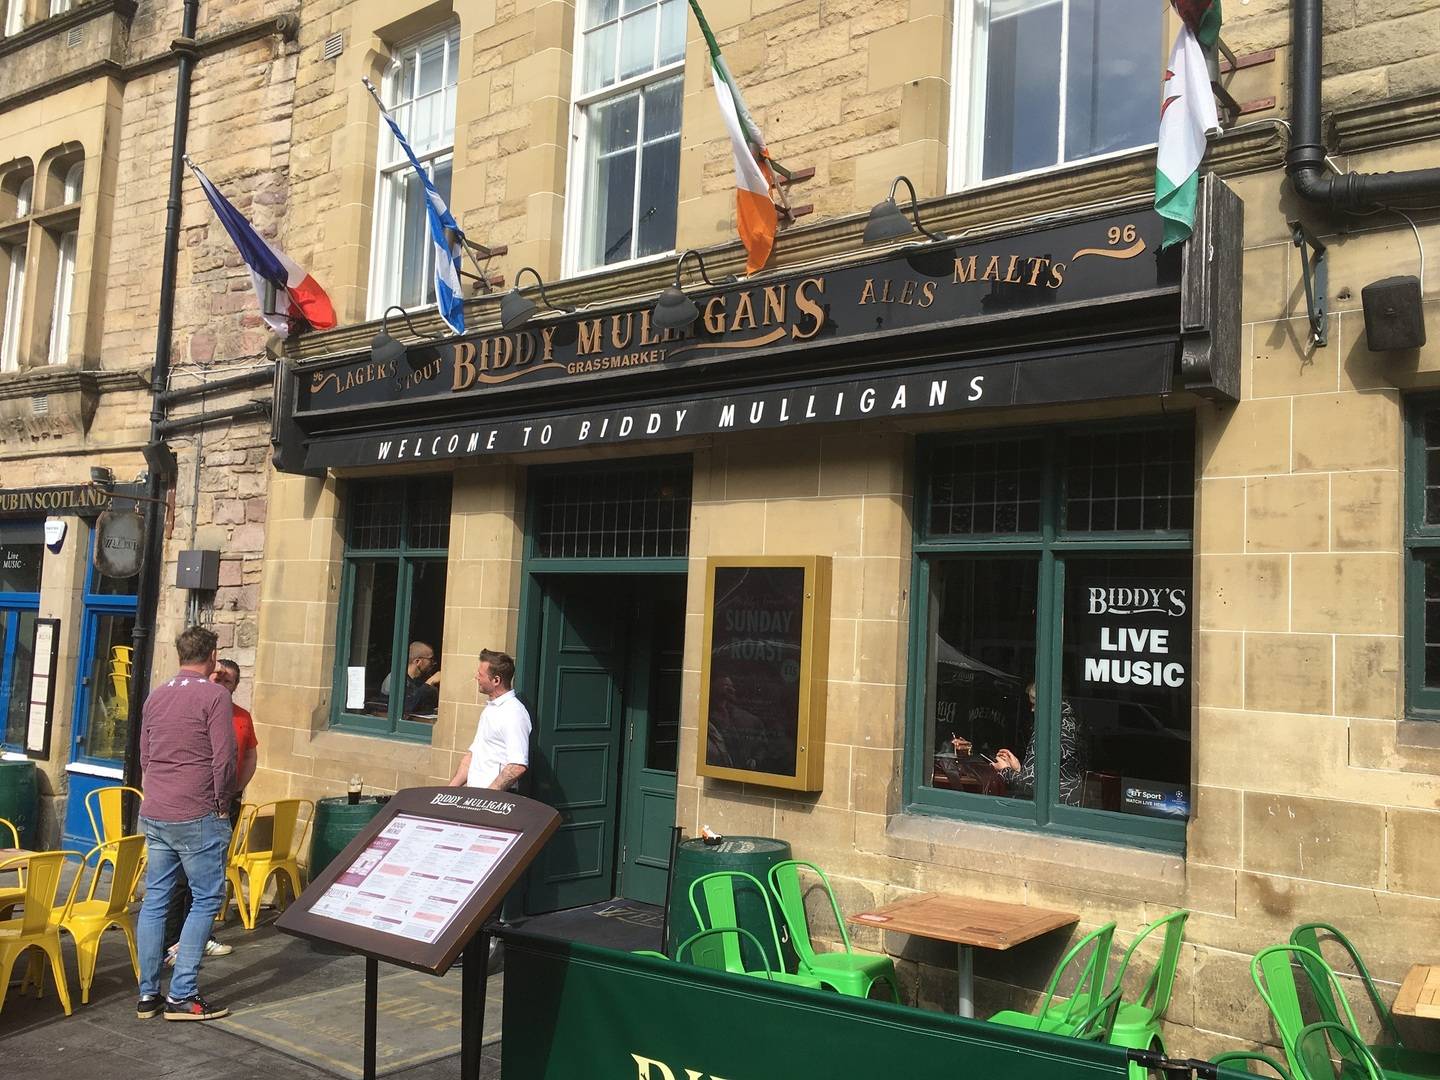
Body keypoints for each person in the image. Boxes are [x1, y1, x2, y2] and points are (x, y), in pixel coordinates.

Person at [135, 625, 236, 1022]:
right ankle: (182, 995)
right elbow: (224, 759)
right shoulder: (214, 696)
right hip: (196, 811)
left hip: (156, 809)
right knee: (206, 899)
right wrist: (221, 802)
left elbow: (144, 753)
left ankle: (148, 995)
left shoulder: (156, 696)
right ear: (211, 656)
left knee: (156, 899)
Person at [162, 658, 256, 965]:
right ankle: (173, 941)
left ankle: (200, 938)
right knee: (181, 877)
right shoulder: (196, 710)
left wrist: (234, 792)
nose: (222, 683)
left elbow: (250, 756)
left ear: (234, 687)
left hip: (226, 805)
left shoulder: (242, 717)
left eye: (228, 680)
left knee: (210, 877)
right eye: (218, 677)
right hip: (194, 804)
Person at [951, 682, 1088, 805]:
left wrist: (1005, 770)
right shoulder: (1068, 723)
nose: (1032, 710)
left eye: (1034, 704)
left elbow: (1032, 785)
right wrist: (1018, 768)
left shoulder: (1053, 730)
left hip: (1055, 806)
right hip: (1063, 803)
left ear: (1047, 702)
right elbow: (1041, 776)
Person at [448, 649, 530, 791]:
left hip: (495, 801)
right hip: (476, 795)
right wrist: (448, 791)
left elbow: (517, 766)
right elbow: (473, 755)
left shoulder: (513, 713)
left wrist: (488, 797)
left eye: (480, 675)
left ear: (496, 680)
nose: (476, 677)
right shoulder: (491, 708)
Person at [381, 640, 441, 716]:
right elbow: (406, 708)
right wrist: (429, 683)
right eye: (431, 659)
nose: (434, 663)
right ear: (418, 661)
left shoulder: (417, 681)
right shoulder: (396, 679)